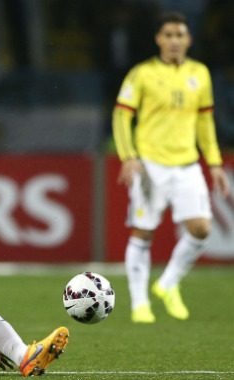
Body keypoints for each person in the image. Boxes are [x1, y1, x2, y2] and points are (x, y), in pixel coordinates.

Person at [112, 12, 230, 324]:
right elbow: (121, 115)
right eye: (169, 35)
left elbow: (205, 121)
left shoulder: (199, 73)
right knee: (144, 231)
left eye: (180, 35)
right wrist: (129, 156)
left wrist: (215, 163)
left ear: (189, 40)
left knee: (202, 229)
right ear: (159, 39)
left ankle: (166, 284)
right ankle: (140, 303)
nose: (174, 40)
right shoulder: (142, 74)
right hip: (150, 164)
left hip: (187, 164)